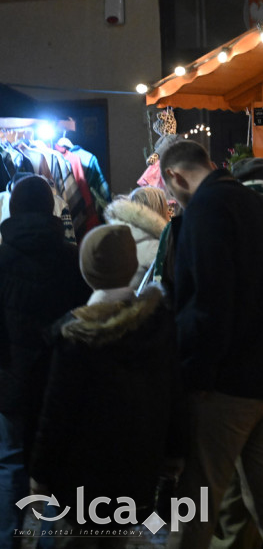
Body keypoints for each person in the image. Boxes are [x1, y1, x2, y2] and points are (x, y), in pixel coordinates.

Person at [160, 140, 263, 549]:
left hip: (226, 383)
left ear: (174, 176)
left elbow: (207, 300)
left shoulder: (205, 210)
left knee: (197, 497)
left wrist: (196, 375)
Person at [29, 225, 185, 547]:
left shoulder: (76, 334)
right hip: (137, 472)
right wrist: (172, 454)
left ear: (87, 271)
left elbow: (56, 414)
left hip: (80, 480)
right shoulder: (158, 324)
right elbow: (172, 394)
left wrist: (40, 474)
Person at [0, 176, 92, 548]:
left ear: (12, 210)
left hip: (10, 381)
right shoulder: (72, 259)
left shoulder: (2, 260)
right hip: (60, 380)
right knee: (58, 466)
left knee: (10, 465)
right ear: (50, 209)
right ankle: (51, 542)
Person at [102, 186, 170, 290]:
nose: (170, 213)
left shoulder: (115, 236)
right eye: (167, 208)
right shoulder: (156, 249)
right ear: (158, 211)